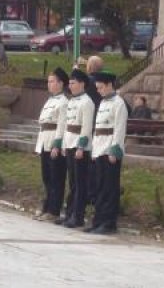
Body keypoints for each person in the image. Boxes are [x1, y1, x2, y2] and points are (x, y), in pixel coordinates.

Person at [86, 70, 128, 235]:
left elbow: (119, 128)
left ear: (110, 85)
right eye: (97, 88)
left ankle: (109, 222)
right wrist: (95, 150)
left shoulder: (119, 103)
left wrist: (114, 149)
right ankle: (98, 220)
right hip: (99, 149)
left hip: (110, 150)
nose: (99, 91)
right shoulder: (103, 103)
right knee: (99, 187)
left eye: (101, 87)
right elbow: (98, 129)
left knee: (110, 188)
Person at [60, 68, 95, 228]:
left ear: (82, 84)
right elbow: (67, 125)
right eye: (70, 83)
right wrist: (64, 145)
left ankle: (78, 216)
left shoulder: (87, 102)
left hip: (80, 147)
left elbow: (86, 127)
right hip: (69, 143)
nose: (70, 86)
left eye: (73, 83)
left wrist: (81, 147)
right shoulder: (72, 101)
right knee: (72, 182)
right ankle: (70, 213)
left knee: (80, 184)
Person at [33, 67, 69, 222]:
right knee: (46, 176)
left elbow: (61, 124)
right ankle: (46, 206)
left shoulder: (64, 102)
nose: (49, 84)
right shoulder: (50, 100)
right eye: (48, 81)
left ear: (61, 83)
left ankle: (54, 210)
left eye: (52, 81)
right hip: (44, 140)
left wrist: (57, 144)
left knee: (56, 177)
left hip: (54, 140)